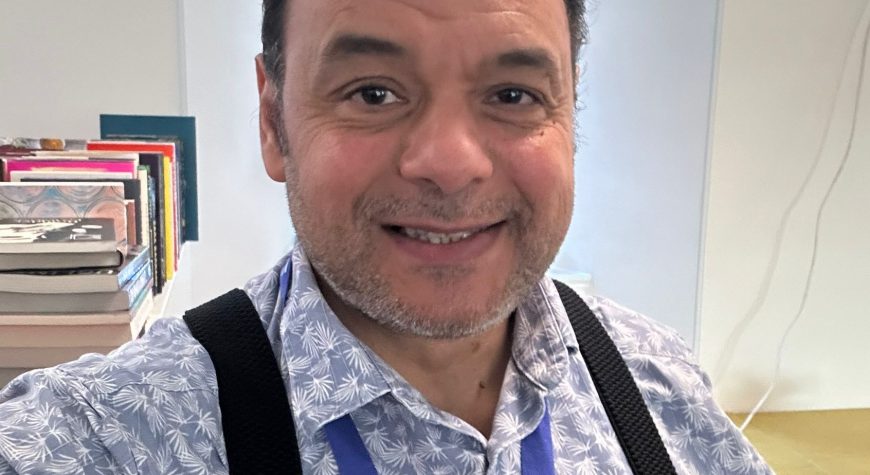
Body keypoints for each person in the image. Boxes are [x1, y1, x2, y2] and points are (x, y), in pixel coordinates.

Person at [0, 0, 772, 473]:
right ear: (272, 122)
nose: (451, 163)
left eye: (513, 94)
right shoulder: (107, 434)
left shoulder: (657, 386)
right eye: (373, 92)